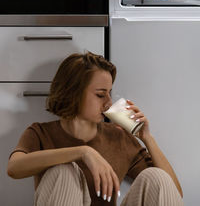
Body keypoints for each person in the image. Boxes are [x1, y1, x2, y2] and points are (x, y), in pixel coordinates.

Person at [7, 51, 183, 206]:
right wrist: (83, 152)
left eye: (109, 93)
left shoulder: (118, 137)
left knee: (157, 177)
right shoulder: (41, 133)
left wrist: (147, 138)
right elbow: (14, 168)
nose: (108, 103)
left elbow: (172, 194)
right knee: (63, 171)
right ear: (73, 92)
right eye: (100, 94)